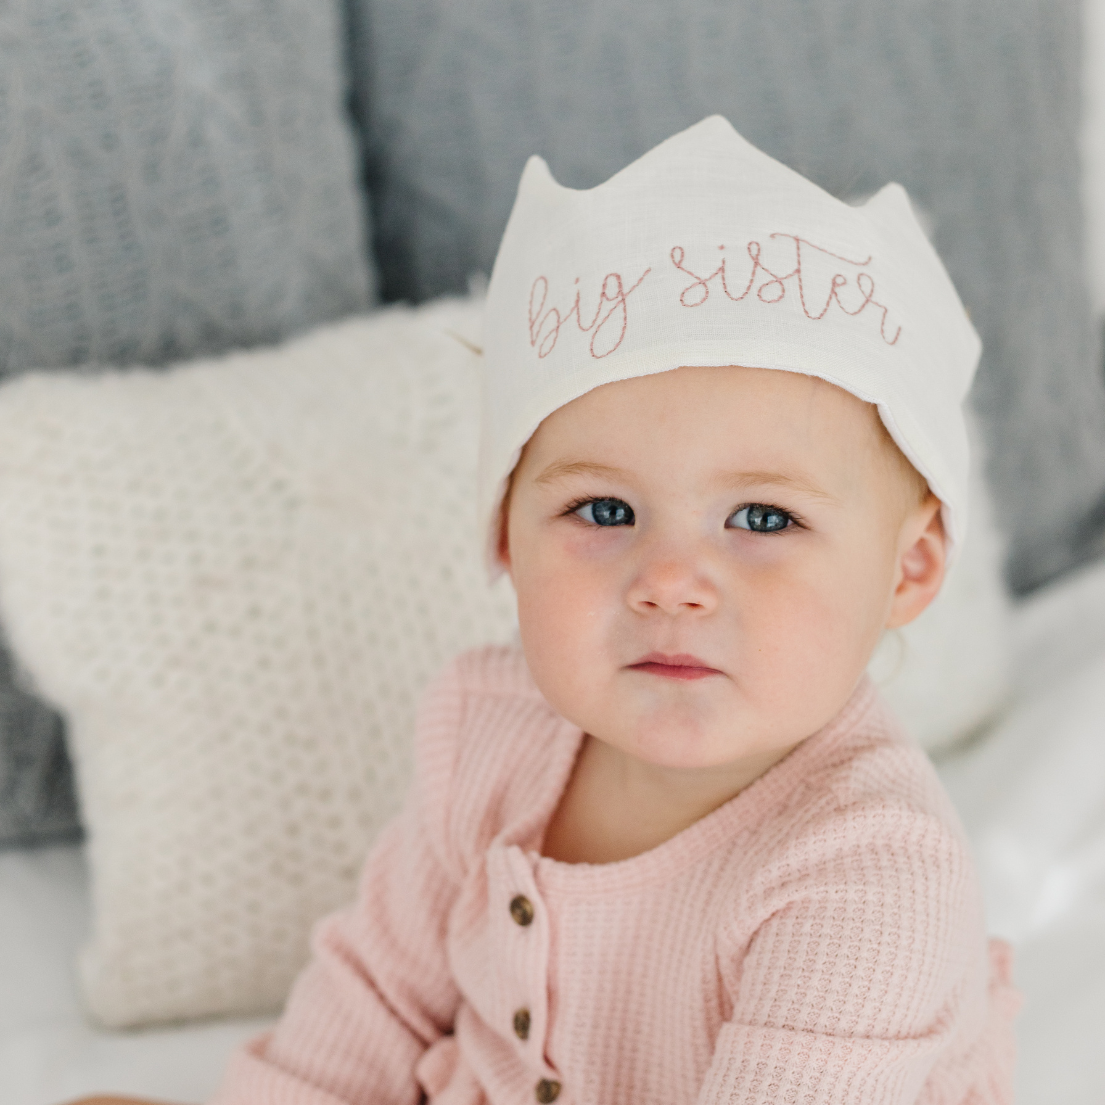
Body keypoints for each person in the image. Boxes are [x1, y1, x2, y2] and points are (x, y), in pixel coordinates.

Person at [74, 116, 1021, 1105]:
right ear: (502, 540)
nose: (670, 580)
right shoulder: (489, 736)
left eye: (762, 516)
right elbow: (377, 997)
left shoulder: (869, 875)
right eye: (603, 510)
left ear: (906, 570)